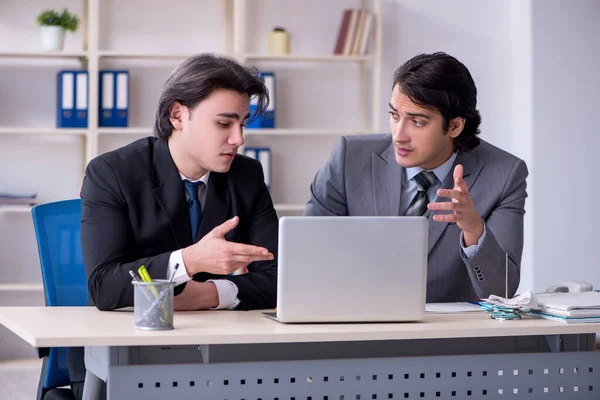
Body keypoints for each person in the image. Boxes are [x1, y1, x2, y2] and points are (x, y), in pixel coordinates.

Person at [69, 53, 278, 398]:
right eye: (224, 124)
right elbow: (104, 286)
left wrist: (211, 295)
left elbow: (281, 278)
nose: (239, 139)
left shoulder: (247, 176)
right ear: (178, 115)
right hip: (123, 357)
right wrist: (191, 261)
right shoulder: (113, 173)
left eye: (243, 123)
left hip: (220, 355)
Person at [305, 52, 528, 303]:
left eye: (417, 122)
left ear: (455, 126)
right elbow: (308, 256)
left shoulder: (504, 175)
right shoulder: (349, 158)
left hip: (445, 337)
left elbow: (502, 291)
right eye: (394, 116)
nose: (399, 136)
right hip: (354, 322)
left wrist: (475, 229)